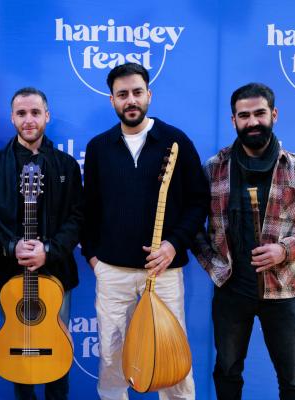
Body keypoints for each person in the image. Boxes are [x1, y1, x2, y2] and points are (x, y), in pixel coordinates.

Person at [81, 62, 209, 400]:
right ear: (112, 100)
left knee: (171, 359)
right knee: (111, 357)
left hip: (164, 270)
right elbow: (88, 207)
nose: (131, 100)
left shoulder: (176, 141)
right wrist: (94, 257)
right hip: (113, 272)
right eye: (122, 94)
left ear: (149, 95)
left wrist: (173, 244)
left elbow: (199, 202)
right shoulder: (98, 147)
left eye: (137, 92)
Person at [193, 83, 295, 399]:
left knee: (294, 381)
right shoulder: (214, 168)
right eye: (244, 115)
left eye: (259, 113)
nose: (252, 122)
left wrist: (284, 250)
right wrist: (216, 268)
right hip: (230, 291)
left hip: (285, 291)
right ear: (234, 121)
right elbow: (193, 228)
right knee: (226, 374)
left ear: (274, 115)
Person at [0, 87, 83, 400]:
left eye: (35, 112)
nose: (29, 120)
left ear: (47, 116)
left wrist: (49, 250)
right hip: (8, 270)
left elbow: (77, 217)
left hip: (56, 271)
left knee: (56, 350)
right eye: (21, 113)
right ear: (12, 118)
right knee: (19, 347)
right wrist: (9, 246)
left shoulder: (66, 166)